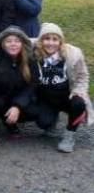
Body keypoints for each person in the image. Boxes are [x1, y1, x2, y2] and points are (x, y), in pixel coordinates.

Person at [31, 23, 93, 153]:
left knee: (79, 103)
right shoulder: (35, 51)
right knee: (43, 123)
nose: (50, 43)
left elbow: (83, 75)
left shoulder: (73, 54)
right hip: (46, 97)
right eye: (46, 39)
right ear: (40, 41)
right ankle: (52, 119)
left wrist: (79, 91)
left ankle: (69, 135)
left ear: (61, 41)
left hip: (66, 96)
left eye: (55, 39)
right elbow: (18, 39)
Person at [0, 26, 39, 145]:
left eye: (17, 41)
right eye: (9, 41)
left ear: (22, 43)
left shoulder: (30, 60)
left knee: (33, 110)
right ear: (2, 43)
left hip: (16, 99)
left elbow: (31, 86)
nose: (13, 44)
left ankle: (10, 122)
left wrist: (17, 106)